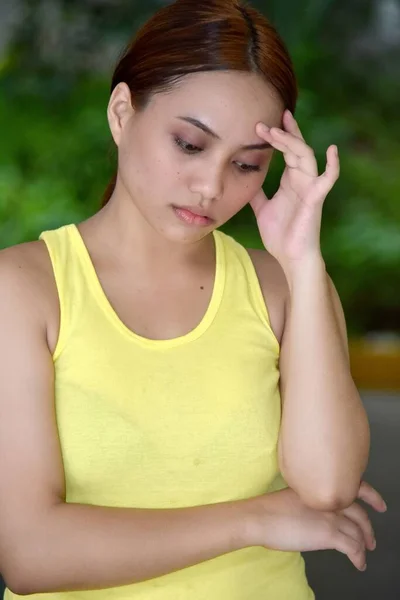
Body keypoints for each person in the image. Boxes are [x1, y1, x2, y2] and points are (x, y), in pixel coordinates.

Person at [0, 0, 387, 598]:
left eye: (247, 164)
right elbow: (30, 554)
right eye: (189, 144)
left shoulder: (282, 287)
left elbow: (329, 486)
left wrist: (303, 263)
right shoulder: (23, 291)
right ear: (122, 112)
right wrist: (255, 518)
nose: (211, 186)